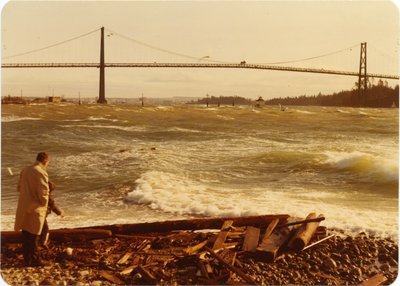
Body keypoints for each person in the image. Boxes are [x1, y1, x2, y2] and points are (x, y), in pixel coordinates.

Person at [14, 152, 51, 267]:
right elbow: (44, 193)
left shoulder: (25, 170)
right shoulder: (41, 172)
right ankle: (35, 260)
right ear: (45, 161)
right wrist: (44, 203)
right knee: (34, 235)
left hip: (24, 205)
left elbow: (19, 187)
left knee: (26, 233)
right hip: (35, 207)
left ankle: (27, 259)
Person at [39, 181, 64, 248]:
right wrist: (60, 213)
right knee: (45, 230)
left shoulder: (39, 194)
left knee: (38, 229)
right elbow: (53, 207)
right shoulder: (48, 197)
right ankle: (43, 243)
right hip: (42, 215)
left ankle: (38, 242)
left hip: (36, 215)